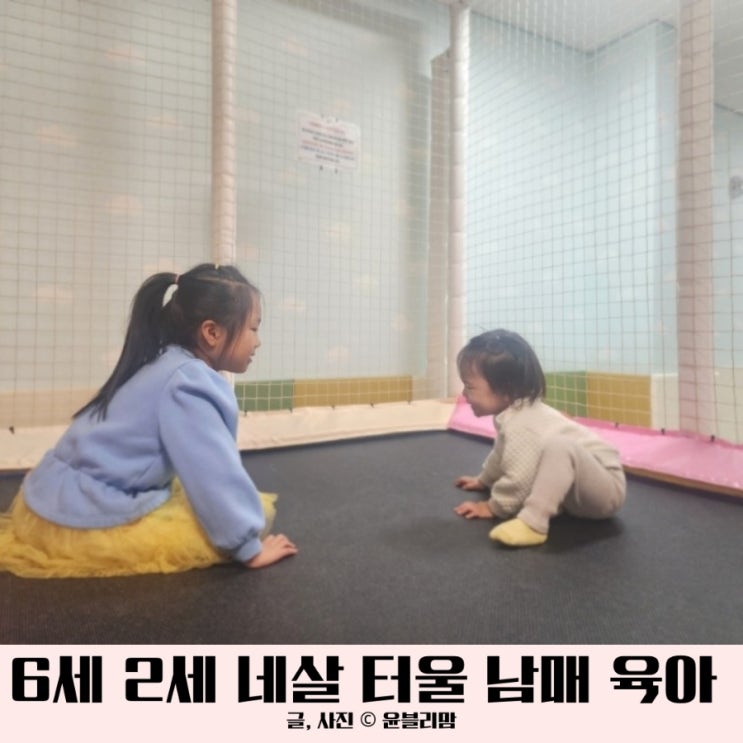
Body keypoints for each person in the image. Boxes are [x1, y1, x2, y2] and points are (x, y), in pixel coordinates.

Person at [0, 263, 298, 577]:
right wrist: (247, 548)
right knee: (209, 528)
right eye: (254, 328)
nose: (258, 341)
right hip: (85, 510)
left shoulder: (163, 360)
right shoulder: (189, 382)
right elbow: (214, 470)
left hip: (49, 493)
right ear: (212, 333)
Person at [453, 329, 626, 547]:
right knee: (548, 451)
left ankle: (534, 523)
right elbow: (501, 453)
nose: (464, 394)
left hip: (605, 489)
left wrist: (493, 507)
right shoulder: (511, 416)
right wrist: (484, 480)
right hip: (576, 490)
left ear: (505, 388)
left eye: (469, 386)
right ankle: (548, 505)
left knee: (560, 446)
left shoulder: (523, 423)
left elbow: (520, 480)